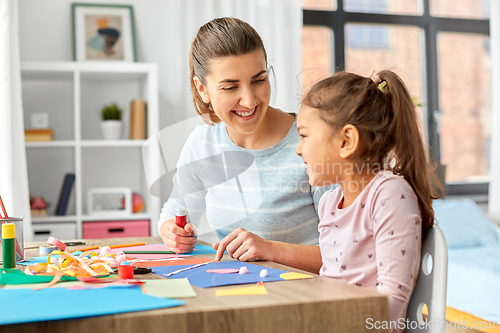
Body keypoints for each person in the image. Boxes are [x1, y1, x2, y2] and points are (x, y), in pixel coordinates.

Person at [158, 17, 331, 273]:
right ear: (202, 89)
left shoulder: (311, 142)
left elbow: (348, 254)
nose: (249, 101)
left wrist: (271, 250)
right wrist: (172, 231)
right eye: (230, 87)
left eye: (259, 80)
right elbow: (174, 213)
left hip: (304, 300)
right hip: (236, 292)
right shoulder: (203, 142)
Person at [295, 70, 442, 332]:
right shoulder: (329, 203)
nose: (298, 148)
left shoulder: (388, 195)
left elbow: (391, 305)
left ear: (346, 141)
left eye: (304, 135)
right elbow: (329, 283)